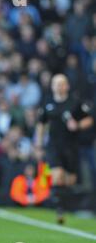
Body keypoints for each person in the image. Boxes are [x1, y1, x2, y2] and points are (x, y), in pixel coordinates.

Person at [35, 74, 94, 224]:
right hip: (54, 147)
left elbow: (89, 119)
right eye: (56, 84)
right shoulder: (47, 104)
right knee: (57, 175)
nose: (59, 86)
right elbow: (41, 125)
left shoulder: (75, 102)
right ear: (52, 86)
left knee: (70, 180)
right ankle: (60, 210)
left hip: (71, 147)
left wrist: (78, 125)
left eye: (62, 84)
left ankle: (65, 206)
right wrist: (39, 145)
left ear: (67, 86)